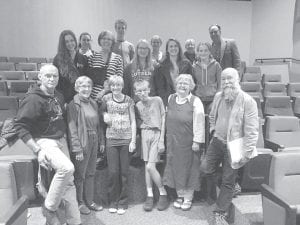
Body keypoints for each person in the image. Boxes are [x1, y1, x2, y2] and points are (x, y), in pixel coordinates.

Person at [14, 64, 82, 225]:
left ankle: (75, 221)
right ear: (40, 77)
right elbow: (20, 127)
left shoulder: (58, 95)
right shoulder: (32, 99)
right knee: (67, 168)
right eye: (48, 76)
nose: (52, 79)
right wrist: (38, 150)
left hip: (61, 140)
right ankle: (49, 208)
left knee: (69, 182)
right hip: (44, 141)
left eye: (55, 76)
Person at [205, 68, 258, 224]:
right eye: (224, 79)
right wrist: (213, 129)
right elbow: (212, 116)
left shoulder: (248, 101)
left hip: (234, 145)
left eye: (230, 78)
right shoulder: (218, 97)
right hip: (217, 141)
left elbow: (252, 130)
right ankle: (233, 185)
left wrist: (247, 153)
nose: (226, 82)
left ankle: (220, 212)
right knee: (205, 169)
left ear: (238, 80)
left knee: (227, 180)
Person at [163, 74, 205, 211]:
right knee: (176, 169)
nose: (182, 85)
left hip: (189, 143)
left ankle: (188, 198)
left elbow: (200, 122)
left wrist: (197, 141)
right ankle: (180, 195)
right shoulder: (171, 98)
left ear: (190, 86)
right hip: (173, 142)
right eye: (180, 83)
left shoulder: (195, 101)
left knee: (190, 170)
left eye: (186, 83)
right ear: (176, 85)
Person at [67, 76, 105, 215]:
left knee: (91, 173)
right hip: (82, 141)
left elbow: (98, 124)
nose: (86, 89)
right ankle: (80, 203)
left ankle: (90, 201)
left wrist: (101, 141)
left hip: (94, 139)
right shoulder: (73, 104)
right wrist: (77, 149)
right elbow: (72, 128)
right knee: (80, 175)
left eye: (89, 86)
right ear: (77, 88)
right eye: (83, 86)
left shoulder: (93, 103)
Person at [100, 75, 136, 215]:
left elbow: (133, 121)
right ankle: (113, 201)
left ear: (122, 86)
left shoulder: (129, 100)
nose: (115, 88)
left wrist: (133, 140)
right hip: (111, 139)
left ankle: (123, 202)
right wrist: (104, 115)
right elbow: (101, 111)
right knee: (113, 172)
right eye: (113, 85)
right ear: (110, 86)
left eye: (118, 85)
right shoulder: (106, 99)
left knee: (124, 172)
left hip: (126, 139)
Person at [134, 80, 169, 212]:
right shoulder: (137, 104)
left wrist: (161, 140)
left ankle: (163, 192)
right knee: (146, 166)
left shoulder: (157, 100)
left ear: (149, 90)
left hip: (156, 133)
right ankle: (149, 195)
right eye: (139, 91)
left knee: (150, 166)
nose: (142, 93)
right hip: (144, 134)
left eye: (144, 90)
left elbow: (163, 118)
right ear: (136, 93)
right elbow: (136, 120)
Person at [153, 38, 193, 106]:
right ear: (167, 49)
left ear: (179, 48)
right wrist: (166, 102)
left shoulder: (187, 64)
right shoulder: (161, 66)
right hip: (168, 100)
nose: (173, 48)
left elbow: (192, 83)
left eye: (175, 46)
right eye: (171, 46)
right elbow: (160, 88)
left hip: (185, 99)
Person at [53, 30, 88, 103]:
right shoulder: (58, 59)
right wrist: (61, 100)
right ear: (63, 44)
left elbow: (86, 79)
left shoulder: (83, 58)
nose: (70, 43)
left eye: (72, 40)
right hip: (64, 98)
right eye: (66, 42)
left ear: (75, 41)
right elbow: (57, 82)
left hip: (80, 97)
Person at [88, 30, 123, 100]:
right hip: (92, 99)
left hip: (110, 98)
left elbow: (119, 81)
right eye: (104, 38)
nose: (106, 41)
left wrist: (103, 92)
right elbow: (89, 80)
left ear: (112, 42)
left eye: (109, 39)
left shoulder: (118, 58)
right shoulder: (92, 57)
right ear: (100, 41)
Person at [193, 42, 222, 113]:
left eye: (206, 50)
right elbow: (193, 84)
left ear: (210, 52)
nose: (203, 53)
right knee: (200, 119)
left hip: (212, 98)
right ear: (198, 53)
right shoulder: (194, 67)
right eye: (201, 51)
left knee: (210, 120)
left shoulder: (216, 65)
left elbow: (220, 83)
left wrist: (217, 96)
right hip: (199, 98)